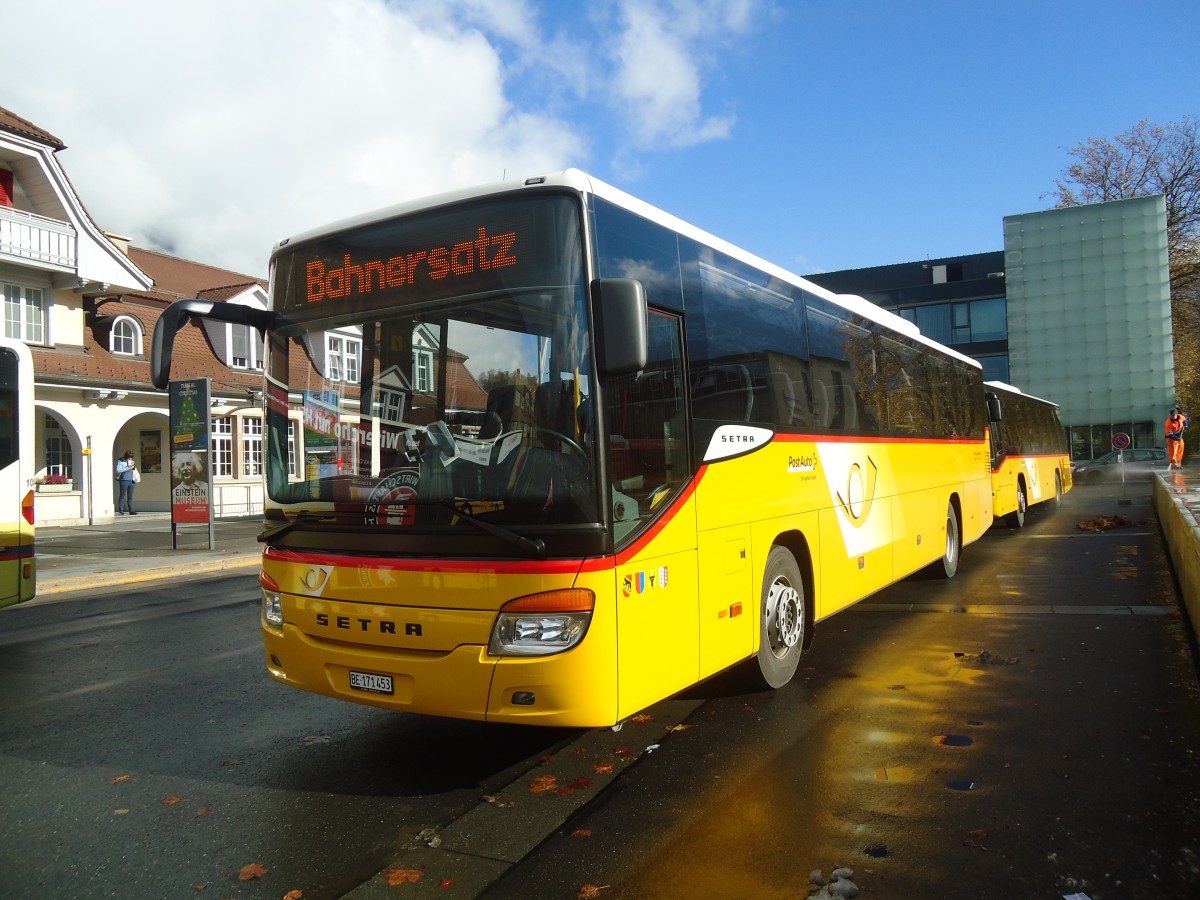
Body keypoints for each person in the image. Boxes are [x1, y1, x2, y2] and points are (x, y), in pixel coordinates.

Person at [115, 449, 138, 514]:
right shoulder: (120, 461)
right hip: (124, 480)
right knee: (122, 495)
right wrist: (128, 467)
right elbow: (118, 470)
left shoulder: (131, 461)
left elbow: (133, 470)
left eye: (131, 458)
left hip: (131, 480)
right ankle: (121, 510)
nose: (130, 459)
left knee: (130, 496)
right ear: (126, 456)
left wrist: (133, 467)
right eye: (129, 457)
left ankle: (131, 510)